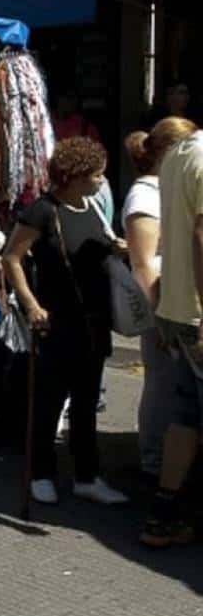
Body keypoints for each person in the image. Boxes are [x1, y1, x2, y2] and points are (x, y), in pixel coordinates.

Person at [2, 137, 128, 506]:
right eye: (97, 175)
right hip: (57, 321)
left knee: (87, 402)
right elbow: (11, 258)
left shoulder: (93, 207)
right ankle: (41, 472)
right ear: (74, 176)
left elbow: (101, 248)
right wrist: (31, 305)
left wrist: (118, 247)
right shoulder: (42, 211)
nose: (102, 181)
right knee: (50, 400)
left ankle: (87, 476)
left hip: (95, 320)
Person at [140, 118, 203, 548]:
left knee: (187, 416)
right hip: (197, 313)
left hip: (179, 310)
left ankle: (163, 514)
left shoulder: (179, 156)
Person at [123, 125, 187, 476]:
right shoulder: (145, 197)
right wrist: (161, 313)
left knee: (174, 385)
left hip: (173, 303)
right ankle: (153, 459)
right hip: (161, 305)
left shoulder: (166, 190)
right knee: (163, 383)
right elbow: (144, 262)